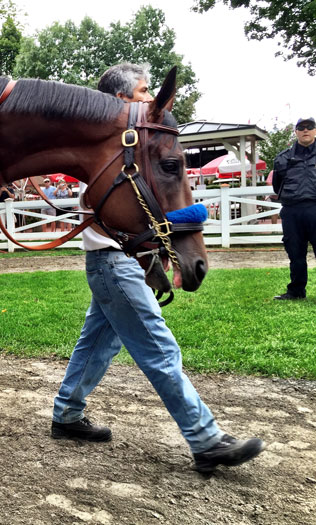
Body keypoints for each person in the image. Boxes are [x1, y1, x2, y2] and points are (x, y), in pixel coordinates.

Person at [51, 62, 265, 473]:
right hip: (113, 262)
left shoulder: (119, 148)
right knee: (158, 347)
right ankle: (205, 439)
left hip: (115, 261)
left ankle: (67, 413)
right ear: (120, 100)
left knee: (98, 343)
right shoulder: (105, 152)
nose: (151, 99)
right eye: (143, 92)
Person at [272, 117, 316, 300]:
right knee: (295, 252)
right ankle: (296, 291)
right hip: (292, 211)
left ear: (315, 130)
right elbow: (277, 186)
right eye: (301, 127)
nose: (305, 130)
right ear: (296, 132)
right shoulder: (283, 158)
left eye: (310, 127)